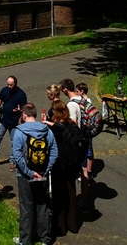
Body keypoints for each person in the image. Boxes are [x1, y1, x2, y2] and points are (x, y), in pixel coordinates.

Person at [11, 103, 57, 245]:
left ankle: (25, 240)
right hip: (42, 174)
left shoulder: (19, 131)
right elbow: (54, 152)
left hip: (25, 176)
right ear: (35, 115)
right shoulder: (47, 130)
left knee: (26, 208)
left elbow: (17, 155)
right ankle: (45, 239)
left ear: (24, 116)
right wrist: (45, 169)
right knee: (42, 206)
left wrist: (29, 172)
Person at [44, 99, 80, 236]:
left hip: (59, 165)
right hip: (72, 165)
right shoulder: (73, 125)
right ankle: (73, 224)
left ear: (55, 112)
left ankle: (61, 226)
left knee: (59, 196)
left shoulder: (54, 130)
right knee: (71, 194)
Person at [0, 75, 27, 171]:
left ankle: (12, 162)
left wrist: (19, 111)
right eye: (8, 84)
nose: (9, 86)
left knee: (14, 143)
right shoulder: (4, 90)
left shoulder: (21, 94)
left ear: (15, 84)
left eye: (11, 85)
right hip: (3, 120)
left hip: (14, 122)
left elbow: (24, 109)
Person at [75, 82, 96, 212]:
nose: (77, 93)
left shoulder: (86, 102)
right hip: (89, 130)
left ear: (82, 91)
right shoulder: (87, 100)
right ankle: (88, 171)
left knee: (88, 150)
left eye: (77, 91)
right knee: (89, 150)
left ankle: (87, 171)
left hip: (86, 131)